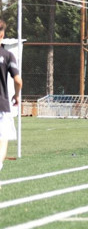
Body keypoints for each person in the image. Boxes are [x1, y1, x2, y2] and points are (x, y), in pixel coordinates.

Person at [0, 19, 23, 186]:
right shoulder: (7, 55)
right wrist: (16, 95)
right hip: (2, 104)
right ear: (2, 34)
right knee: (3, 138)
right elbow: (18, 80)